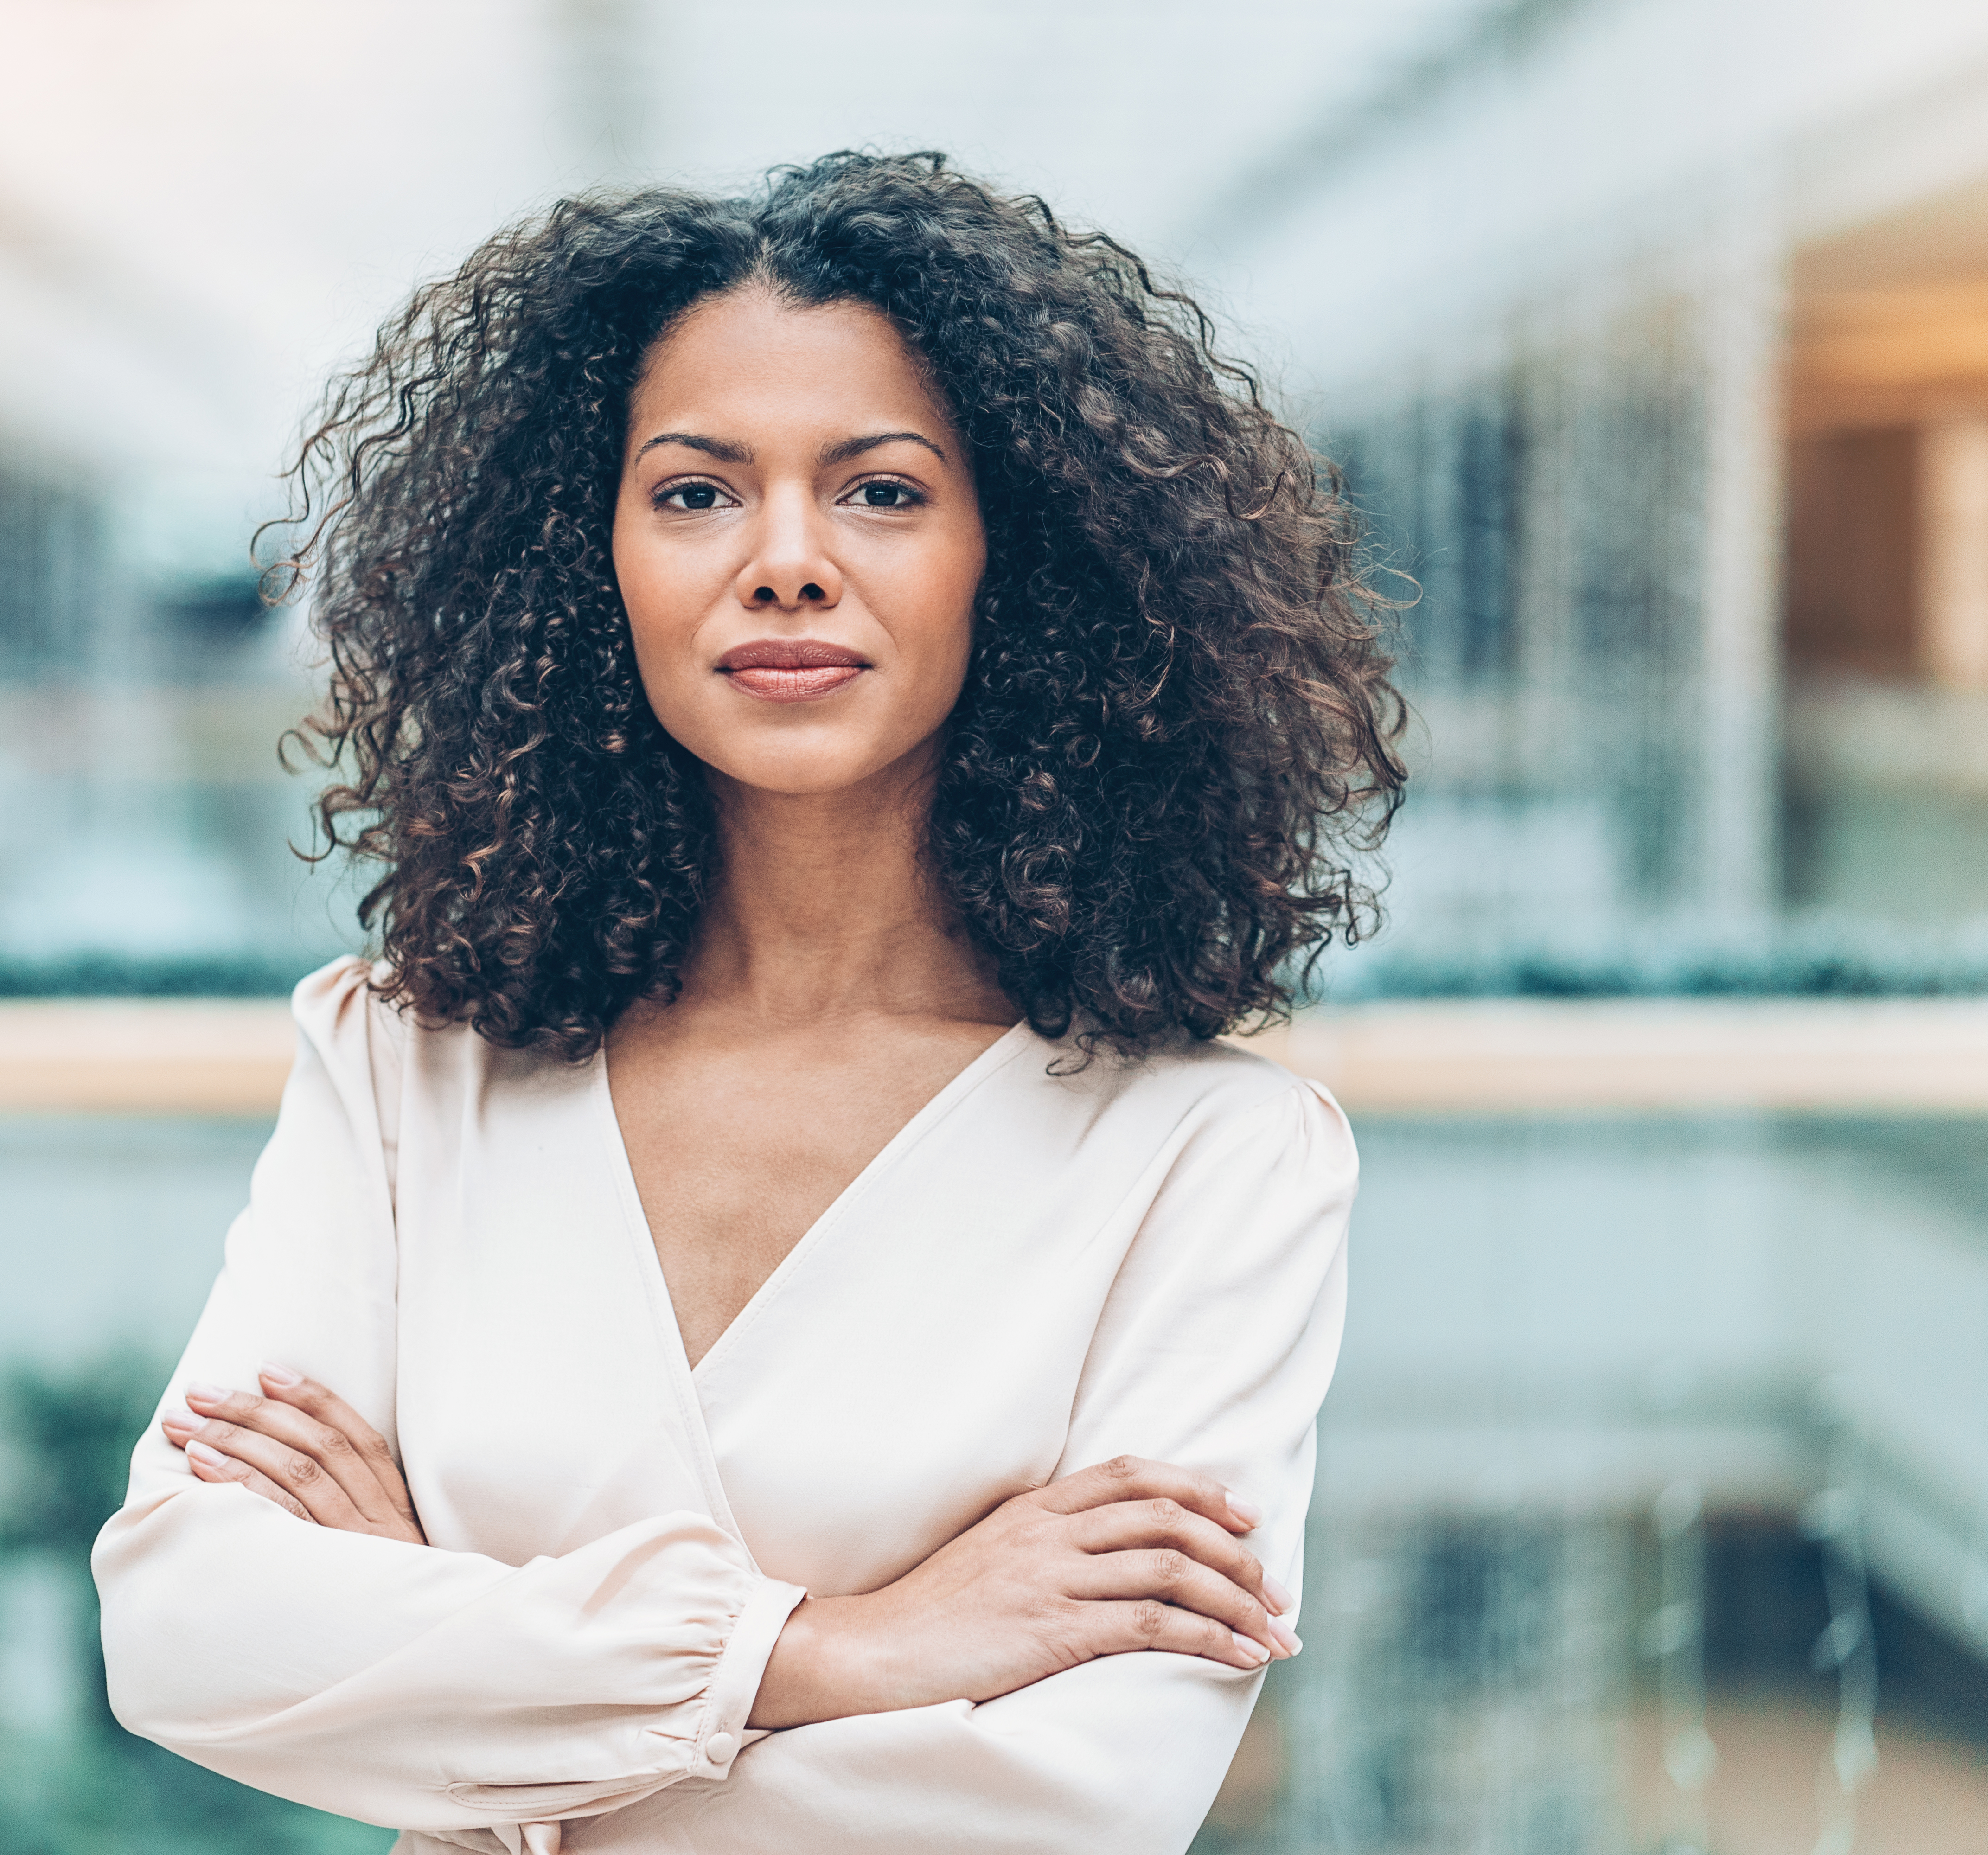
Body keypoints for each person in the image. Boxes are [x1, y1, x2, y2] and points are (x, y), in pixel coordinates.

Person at [94, 151, 1404, 1854]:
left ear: (1022, 560)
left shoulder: (1215, 1158)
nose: (785, 561)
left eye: (882, 492)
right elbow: (187, 1633)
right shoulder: (407, 1062)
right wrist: (844, 1648)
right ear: (593, 560)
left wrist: (444, 1649)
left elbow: (1074, 1798)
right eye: (698, 493)